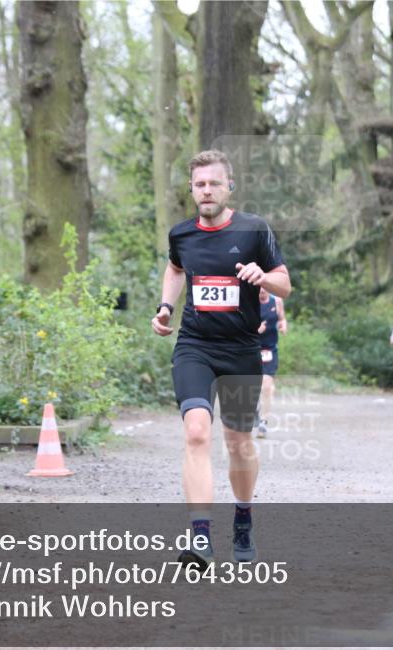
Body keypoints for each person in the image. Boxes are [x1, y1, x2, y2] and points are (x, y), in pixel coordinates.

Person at [151, 150, 291, 569]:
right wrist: (165, 307)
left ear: (229, 186)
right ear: (192, 190)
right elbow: (176, 269)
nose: (206, 190)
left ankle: (243, 519)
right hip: (195, 345)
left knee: (239, 442)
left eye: (214, 183)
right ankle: (200, 539)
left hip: (242, 350)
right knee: (196, 432)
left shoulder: (254, 230)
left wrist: (261, 276)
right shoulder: (182, 235)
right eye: (199, 184)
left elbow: (285, 285)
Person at [255, 289, 287, 438]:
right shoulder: (250, 302)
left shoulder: (277, 301)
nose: (262, 291)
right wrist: (256, 331)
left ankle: (263, 422)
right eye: (259, 288)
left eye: (264, 287)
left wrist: (283, 325)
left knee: (267, 386)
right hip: (251, 349)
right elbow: (240, 328)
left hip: (270, 350)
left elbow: (282, 318)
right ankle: (255, 409)